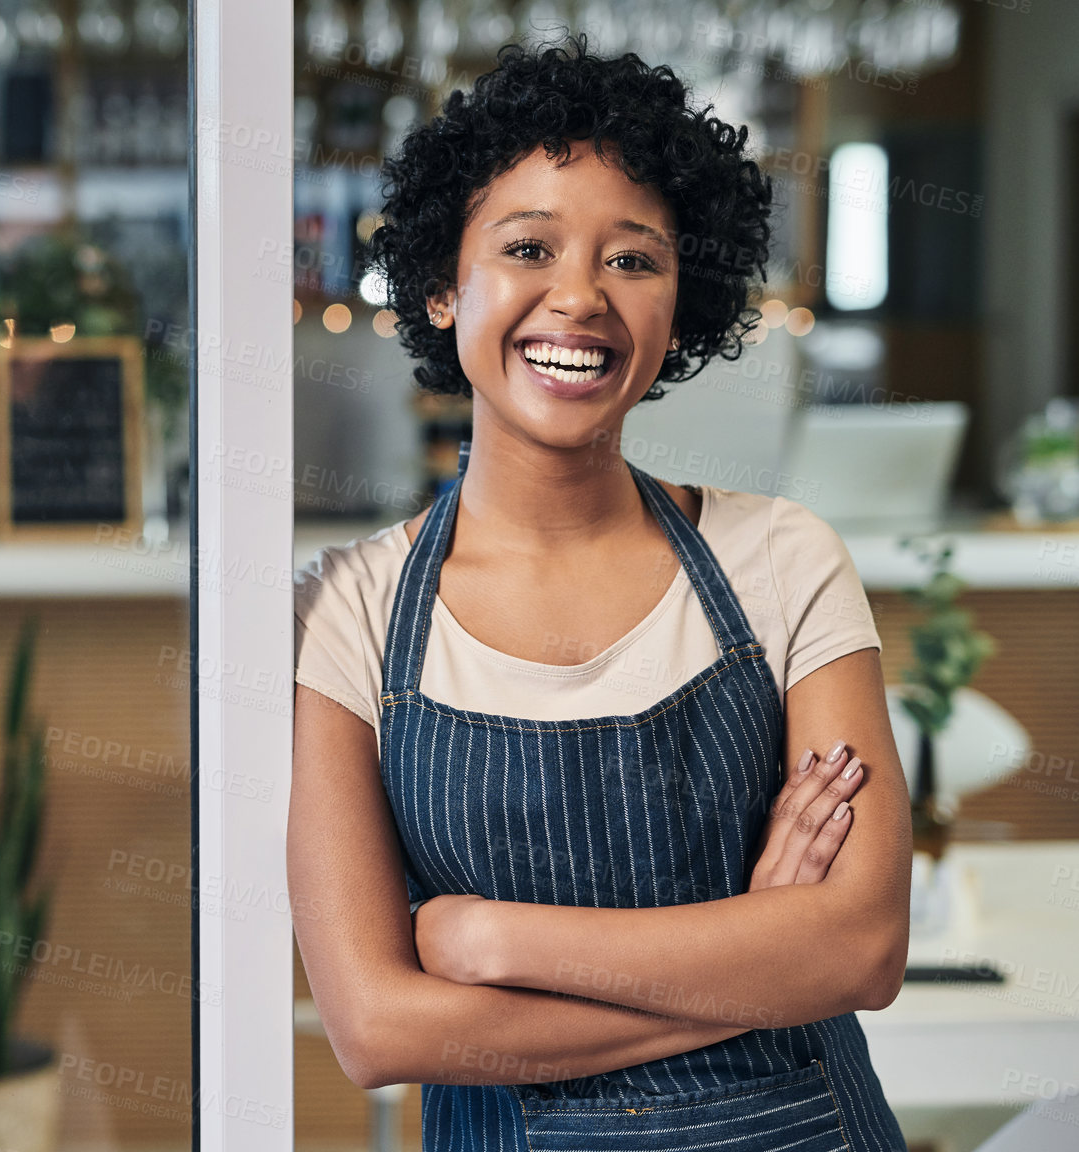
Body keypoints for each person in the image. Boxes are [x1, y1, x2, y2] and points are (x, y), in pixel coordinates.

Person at [289, 36, 913, 1152]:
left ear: (684, 301)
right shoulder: (351, 608)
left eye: (633, 260)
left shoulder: (784, 561)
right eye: (527, 247)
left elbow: (860, 950)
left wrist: (491, 942)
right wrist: (761, 955)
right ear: (440, 286)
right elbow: (379, 1029)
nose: (578, 298)